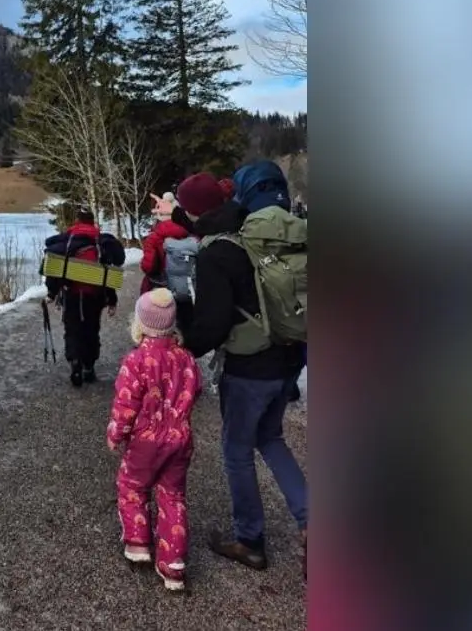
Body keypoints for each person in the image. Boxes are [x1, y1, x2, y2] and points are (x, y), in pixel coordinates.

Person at [174, 163, 308, 577]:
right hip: (289, 356)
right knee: (270, 437)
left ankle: (249, 541)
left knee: (236, 451)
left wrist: (183, 347)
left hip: (250, 368)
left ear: (194, 213)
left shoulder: (216, 252)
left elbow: (213, 325)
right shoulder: (255, 234)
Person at [107, 288, 201, 592]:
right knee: (172, 495)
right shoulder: (186, 358)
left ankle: (138, 544)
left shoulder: (136, 361)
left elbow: (125, 405)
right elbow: (196, 389)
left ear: (140, 323)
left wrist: (116, 433)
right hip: (179, 439)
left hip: (146, 442)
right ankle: (173, 564)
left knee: (132, 485)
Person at [45, 206, 118, 386]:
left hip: (71, 294)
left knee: (72, 329)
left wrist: (52, 292)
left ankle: (75, 362)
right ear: (92, 221)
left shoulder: (67, 240)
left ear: (77, 221)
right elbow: (108, 274)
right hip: (95, 296)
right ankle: (89, 367)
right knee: (91, 329)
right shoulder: (100, 242)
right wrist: (112, 300)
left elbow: (56, 269)